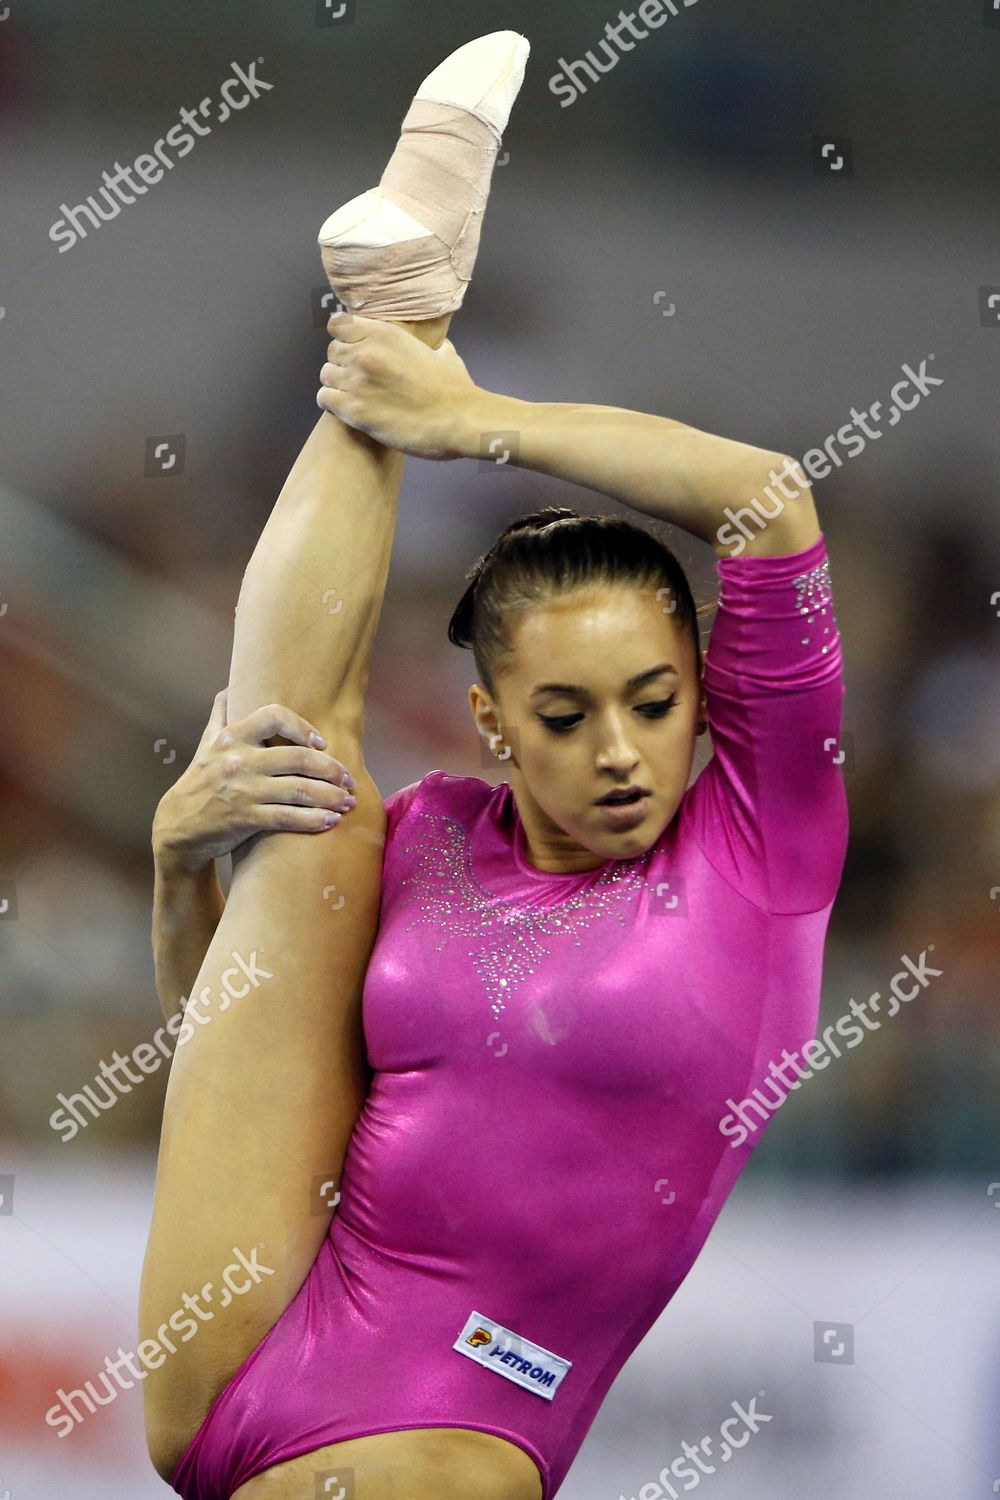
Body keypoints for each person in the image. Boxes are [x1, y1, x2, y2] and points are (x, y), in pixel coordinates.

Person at [140, 29, 849, 1500]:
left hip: (444, 1433)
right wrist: (173, 869)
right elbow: (222, 1045)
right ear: (491, 727)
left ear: (702, 701)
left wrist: (476, 423)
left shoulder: (760, 848)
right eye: (570, 715)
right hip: (238, 1336)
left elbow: (768, 505)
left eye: (655, 703)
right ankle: (394, 296)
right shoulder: (430, 834)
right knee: (293, 758)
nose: (620, 752)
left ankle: (402, 324)